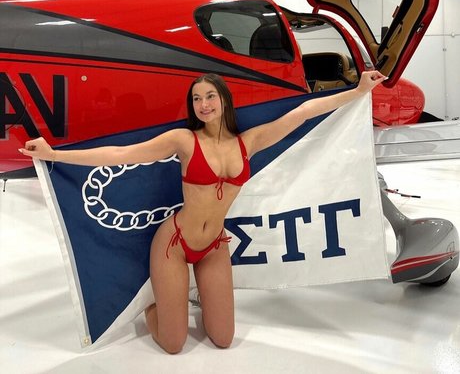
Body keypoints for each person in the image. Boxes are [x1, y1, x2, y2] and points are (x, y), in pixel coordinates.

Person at [19, 70, 386, 354]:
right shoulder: (184, 140)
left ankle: (180, 297)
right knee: (173, 343)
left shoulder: (248, 142)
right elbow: (121, 155)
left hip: (213, 246)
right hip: (175, 244)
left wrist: (358, 91)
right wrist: (54, 154)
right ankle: (153, 304)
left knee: (223, 339)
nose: (203, 104)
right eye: (196, 99)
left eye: (210, 96)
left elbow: (302, 114)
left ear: (224, 100)